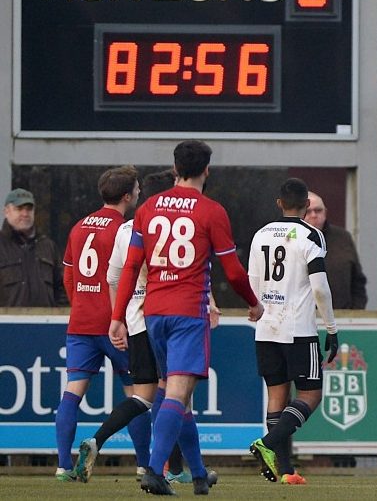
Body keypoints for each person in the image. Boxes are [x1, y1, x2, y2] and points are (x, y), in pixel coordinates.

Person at [110, 140, 263, 496]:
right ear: (207, 170)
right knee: (178, 394)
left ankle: (197, 474)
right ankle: (154, 470)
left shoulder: (147, 208)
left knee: (174, 394)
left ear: (175, 168)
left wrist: (117, 316)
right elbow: (234, 272)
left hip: (154, 313)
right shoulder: (211, 211)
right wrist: (253, 303)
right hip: (187, 312)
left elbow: (133, 265)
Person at [74, 169, 215, 486]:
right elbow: (184, 272)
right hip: (167, 320)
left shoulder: (125, 230)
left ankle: (98, 440)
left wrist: (119, 319)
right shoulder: (172, 226)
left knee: (146, 397)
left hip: (138, 325)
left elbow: (112, 280)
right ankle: (173, 471)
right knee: (177, 397)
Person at [54, 166, 146, 482]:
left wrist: (81, 301)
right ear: (127, 195)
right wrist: (117, 316)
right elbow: (124, 276)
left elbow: (68, 273)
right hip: (115, 324)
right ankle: (144, 465)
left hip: (81, 323)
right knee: (137, 393)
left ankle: (63, 467)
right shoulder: (124, 230)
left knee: (72, 394)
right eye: (136, 188)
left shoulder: (79, 226)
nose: (139, 193)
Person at [248, 179, 340, 485]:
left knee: (277, 394)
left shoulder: (260, 234)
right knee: (311, 395)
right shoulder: (310, 234)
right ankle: (268, 444)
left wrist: (259, 307)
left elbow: (252, 279)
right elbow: (319, 286)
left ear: (279, 203)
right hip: (298, 327)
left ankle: (284, 470)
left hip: (267, 327)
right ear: (305, 207)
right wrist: (331, 327)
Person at [0, 188, 64, 306]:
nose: (25, 214)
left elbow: (62, 290)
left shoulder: (48, 246)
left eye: (29, 209)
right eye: (19, 209)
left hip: (46, 322)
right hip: (6, 323)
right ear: (6, 211)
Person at [304, 191, 367, 310]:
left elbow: (358, 281)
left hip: (342, 317)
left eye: (318, 210)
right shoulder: (290, 239)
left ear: (325, 212)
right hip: (303, 318)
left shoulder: (342, 238)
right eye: (308, 211)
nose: (313, 215)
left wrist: (355, 311)